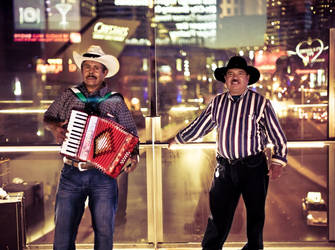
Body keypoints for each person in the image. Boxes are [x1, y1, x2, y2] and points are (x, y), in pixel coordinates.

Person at [168, 56, 287, 250]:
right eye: (230, 74)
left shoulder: (261, 103)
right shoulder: (218, 103)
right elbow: (201, 126)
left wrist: (278, 161)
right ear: (225, 79)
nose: (235, 77)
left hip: (253, 167)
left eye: (240, 74)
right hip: (224, 168)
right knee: (217, 216)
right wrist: (177, 139)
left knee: (256, 216)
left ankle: (254, 248)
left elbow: (277, 134)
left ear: (247, 78)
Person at [44, 45, 139, 250]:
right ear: (82, 70)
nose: (91, 71)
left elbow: (131, 134)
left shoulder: (115, 101)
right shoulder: (69, 95)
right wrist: (54, 129)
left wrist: (135, 156)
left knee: (104, 234)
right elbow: (48, 117)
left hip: (103, 176)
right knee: (63, 234)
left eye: (97, 67)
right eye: (87, 67)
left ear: (105, 73)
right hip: (71, 173)